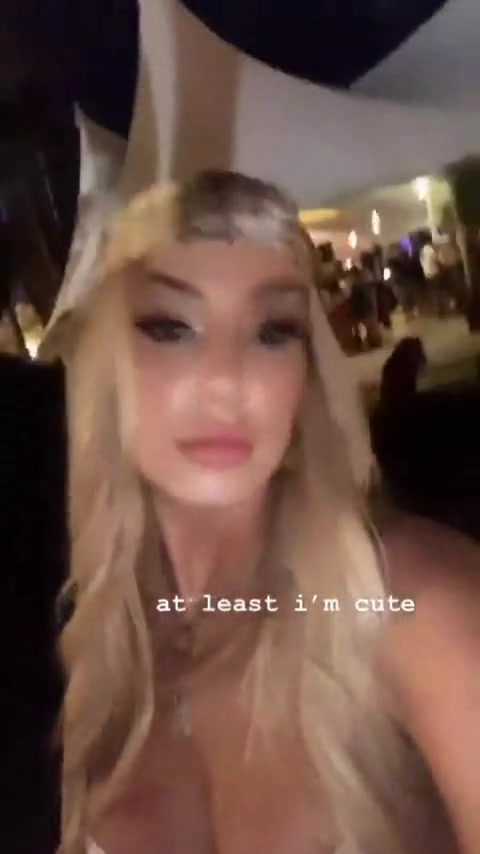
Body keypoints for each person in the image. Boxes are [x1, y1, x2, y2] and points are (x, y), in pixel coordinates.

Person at [3, 170, 480, 854]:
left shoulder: (412, 608)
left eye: (272, 331)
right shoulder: (99, 667)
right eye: (171, 327)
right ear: (105, 365)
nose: (227, 380)